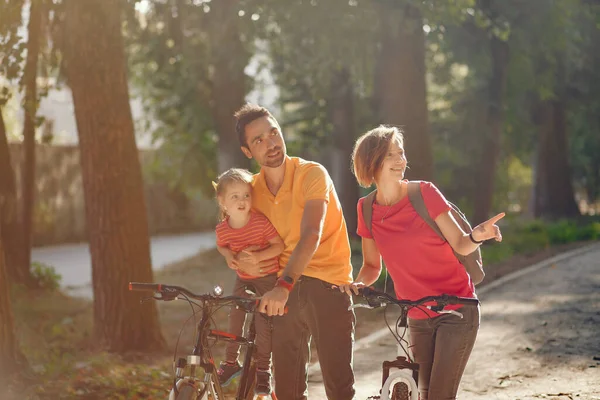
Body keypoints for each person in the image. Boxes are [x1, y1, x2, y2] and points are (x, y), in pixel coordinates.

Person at [340, 125, 504, 400]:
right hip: (416, 315)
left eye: (401, 153)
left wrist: (478, 235)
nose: (400, 160)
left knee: (439, 395)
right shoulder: (366, 209)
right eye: (390, 154)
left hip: (457, 309)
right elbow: (371, 266)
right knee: (422, 393)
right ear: (372, 162)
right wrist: (358, 284)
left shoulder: (424, 193)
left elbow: (461, 243)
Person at [232, 103, 356, 400]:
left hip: (326, 284)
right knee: (287, 392)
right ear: (247, 152)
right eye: (258, 140)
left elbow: (311, 234)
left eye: (273, 132)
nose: (271, 143)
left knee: (339, 389)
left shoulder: (312, 174)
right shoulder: (251, 191)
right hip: (282, 291)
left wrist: (283, 286)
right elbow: (238, 237)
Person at [213, 168, 285, 396]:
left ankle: (264, 370)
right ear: (223, 202)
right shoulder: (223, 229)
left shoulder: (259, 222)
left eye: (246, 195)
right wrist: (228, 257)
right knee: (235, 316)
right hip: (243, 279)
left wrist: (257, 257)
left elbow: (278, 246)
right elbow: (221, 245)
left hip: (266, 280)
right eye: (235, 196)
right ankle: (231, 362)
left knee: (264, 324)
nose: (242, 201)